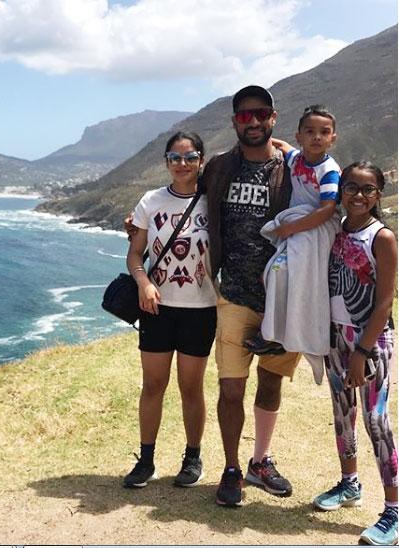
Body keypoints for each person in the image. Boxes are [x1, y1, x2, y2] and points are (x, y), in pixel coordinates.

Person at [204, 85, 300, 506]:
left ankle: (261, 461)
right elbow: (185, 194)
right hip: (234, 296)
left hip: (282, 296)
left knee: (272, 381)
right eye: (245, 116)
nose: (254, 122)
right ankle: (231, 469)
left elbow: (331, 185)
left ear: (273, 118)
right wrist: (141, 223)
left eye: (261, 114)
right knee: (230, 388)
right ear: (234, 123)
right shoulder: (221, 167)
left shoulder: (293, 167)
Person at [123, 131, 218, 489]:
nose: (182, 164)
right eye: (175, 157)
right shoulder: (151, 201)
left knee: (191, 387)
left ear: (202, 161)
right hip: (157, 307)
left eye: (190, 157)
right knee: (153, 385)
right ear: (166, 161)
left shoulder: (214, 201)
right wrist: (144, 283)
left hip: (201, 307)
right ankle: (146, 460)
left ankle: (193, 458)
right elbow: (135, 253)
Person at [312, 161, 397, 546]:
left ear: (378, 194)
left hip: (371, 342)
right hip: (336, 339)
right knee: (342, 415)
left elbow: (383, 303)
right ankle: (350, 484)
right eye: (351, 187)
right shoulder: (338, 230)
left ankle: (394, 511)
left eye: (367, 189)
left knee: (376, 420)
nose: (358, 196)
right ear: (341, 190)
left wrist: (363, 351)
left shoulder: (382, 237)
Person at [244, 106, 341, 377]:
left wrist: (291, 228)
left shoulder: (329, 170)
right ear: (300, 136)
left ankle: (276, 333)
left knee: (281, 272)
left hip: (316, 228)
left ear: (333, 138)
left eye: (324, 132)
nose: (317, 138)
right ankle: (278, 330)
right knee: (273, 274)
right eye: (310, 132)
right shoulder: (296, 159)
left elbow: (327, 209)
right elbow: (283, 146)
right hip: (298, 226)